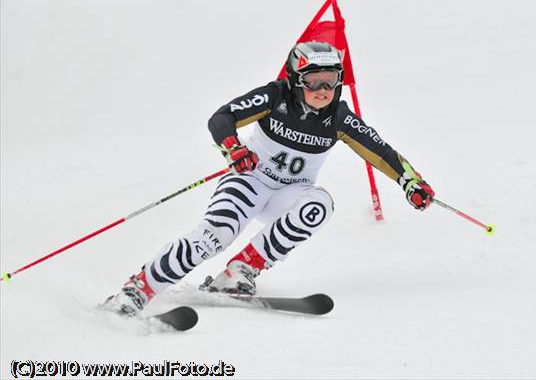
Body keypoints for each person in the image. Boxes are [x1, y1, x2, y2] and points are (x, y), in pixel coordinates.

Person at [101, 41, 435, 316]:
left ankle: (239, 271)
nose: (322, 90)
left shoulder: (338, 117)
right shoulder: (276, 97)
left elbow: (381, 152)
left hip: (289, 194)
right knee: (216, 235)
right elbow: (222, 117)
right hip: (249, 181)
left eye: (331, 81)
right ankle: (136, 291)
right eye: (313, 81)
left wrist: (410, 182)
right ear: (295, 80)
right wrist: (233, 149)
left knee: (318, 205)